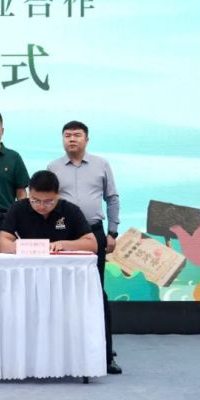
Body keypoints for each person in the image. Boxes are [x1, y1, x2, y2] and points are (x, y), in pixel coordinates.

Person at [47, 120, 122, 375]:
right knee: (62, 293)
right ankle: (64, 354)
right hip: (63, 235)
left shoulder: (101, 164)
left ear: (86, 139)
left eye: (77, 135)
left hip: (94, 233)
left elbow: (112, 198)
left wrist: (113, 232)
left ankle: (105, 355)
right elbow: (47, 202)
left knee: (96, 291)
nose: (72, 139)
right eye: (67, 135)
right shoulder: (53, 167)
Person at [0, 170, 97, 254]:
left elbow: (92, 244)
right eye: (35, 200)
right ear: (29, 193)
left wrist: (62, 244)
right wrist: (25, 248)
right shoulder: (18, 209)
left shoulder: (71, 210)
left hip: (62, 265)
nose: (41, 206)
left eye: (48, 202)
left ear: (58, 194)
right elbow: (2, 243)